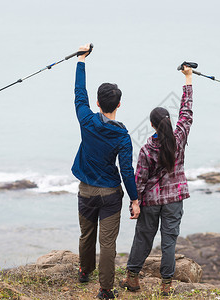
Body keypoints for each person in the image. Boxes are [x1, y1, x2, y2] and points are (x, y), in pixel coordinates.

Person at [72, 44, 140, 299]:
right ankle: (105, 290)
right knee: (107, 244)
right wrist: (135, 199)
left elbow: (79, 94)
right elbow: (126, 170)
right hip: (111, 194)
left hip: (86, 191)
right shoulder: (122, 136)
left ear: (97, 103)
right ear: (119, 104)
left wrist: (81, 60)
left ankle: (84, 271)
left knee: (86, 233)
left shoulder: (86, 120)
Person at [120, 65, 193, 296]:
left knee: (143, 237)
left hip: (151, 201)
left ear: (152, 125)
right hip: (175, 199)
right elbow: (187, 113)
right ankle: (166, 285)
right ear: (169, 123)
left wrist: (135, 202)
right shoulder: (179, 137)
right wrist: (188, 79)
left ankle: (132, 279)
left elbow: (139, 180)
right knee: (169, 241)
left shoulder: (146, 149)